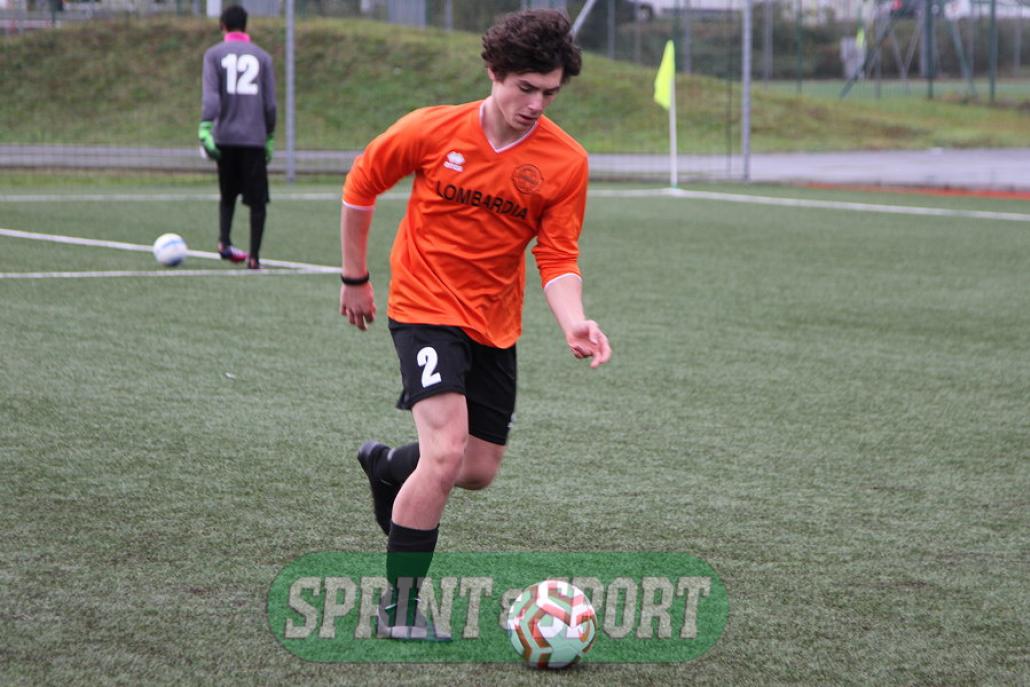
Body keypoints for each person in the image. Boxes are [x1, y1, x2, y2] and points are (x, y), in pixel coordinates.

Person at [339, 8, 611, 641]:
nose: (535, 104)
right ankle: (399, 609)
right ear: (494, 72)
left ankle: (389, 468)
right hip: (423, 307)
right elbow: (361, 185)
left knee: (477, 469)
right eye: (525, 88)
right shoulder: (432, 129)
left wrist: (574, 321)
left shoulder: (566, 161)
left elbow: (557, 255)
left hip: (494, 322)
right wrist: (355, 277)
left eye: (549, 93)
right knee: (444, 454)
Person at [199, 4, 276, 270]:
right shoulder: (263, 57)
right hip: (254, 138)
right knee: (258, 201)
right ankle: (254, 257)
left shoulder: (213, 55)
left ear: (222, 26)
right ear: (246, 26)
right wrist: (270, 134)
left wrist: (205, 126)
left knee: (228, 193)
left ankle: (224, 242)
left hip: (225, 137)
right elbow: (270, 105)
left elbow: (212, 97)